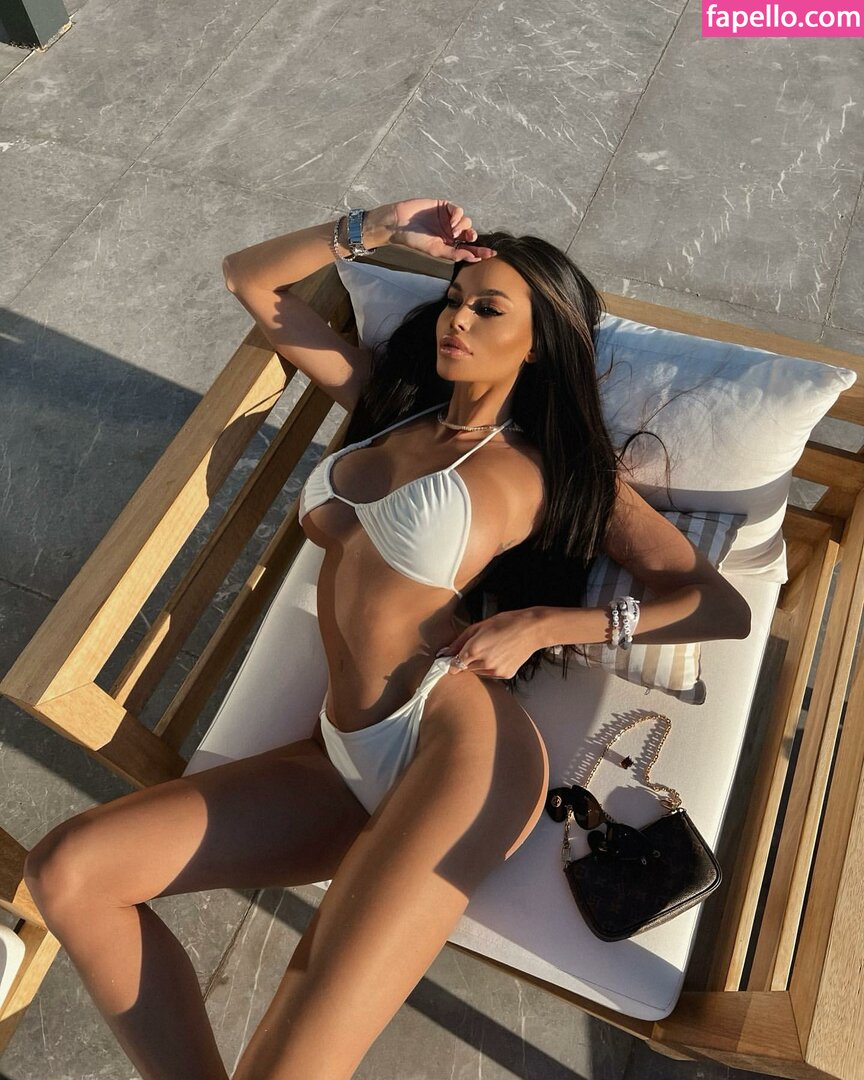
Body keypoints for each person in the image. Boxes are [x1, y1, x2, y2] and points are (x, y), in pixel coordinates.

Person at [23, 197, 751, 1080]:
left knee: (293, 1058)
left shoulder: (553, 468)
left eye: (489, 310)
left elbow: (717, 607)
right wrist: (379, 229)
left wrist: (551, 624)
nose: (457, 320)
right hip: (339, 753)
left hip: (459, 749)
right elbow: (249, 278)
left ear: (539, 344)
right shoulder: (388, 405)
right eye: (454, 299)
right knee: (69, 871)